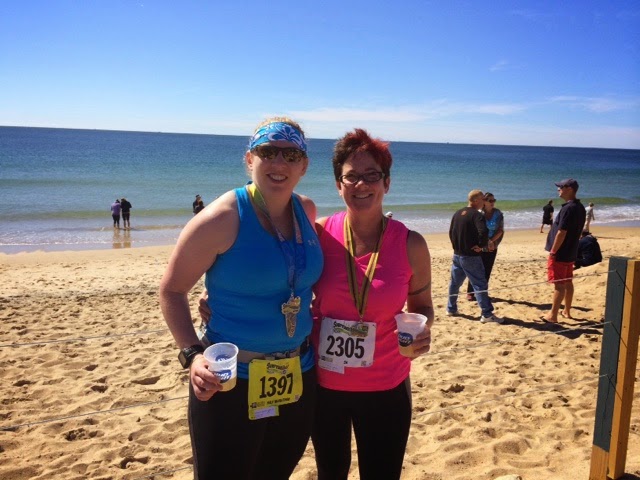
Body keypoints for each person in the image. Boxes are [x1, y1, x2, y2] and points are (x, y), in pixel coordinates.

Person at [159, 117, 324, 480]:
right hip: (229, 380)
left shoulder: (306, 211)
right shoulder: (221, 218)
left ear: (304, 166)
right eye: (268, 151)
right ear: (250, 159)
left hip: (296, 374)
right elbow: (171, 290)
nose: (279, 162)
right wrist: (192, 354)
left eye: (291, 154)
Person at [311, 128, 433, 480]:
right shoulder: (318, 234)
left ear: (386, 183)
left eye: (372, 175)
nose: (361, 184)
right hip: (324, 385)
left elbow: (422, 305)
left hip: (386, 385)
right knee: (330, 473)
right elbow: (279, 282)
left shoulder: (411, 244)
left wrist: (422, 329)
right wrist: (217, 295)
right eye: (351, 176)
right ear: (339, 185)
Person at [446, 190, 502, 324]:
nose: (484, 201)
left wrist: (456, 246)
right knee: (480, 284)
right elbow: (483, 232)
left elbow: (451, 232)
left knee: (455, 283)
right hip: (470, 256)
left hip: (458, 254)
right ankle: (487, 314)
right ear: (476, 200)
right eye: (483, 199)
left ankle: (451, 308)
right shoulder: (477, 215)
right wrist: (481, 246)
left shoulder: (458, 213)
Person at [543, 178, 586, 323]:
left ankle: (553, 315)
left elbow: (562, 232)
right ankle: (567, 310)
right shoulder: (580, 207)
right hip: (571, 251)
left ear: (569, 189)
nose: (558, 189)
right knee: (568, 282)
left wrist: (553, 251)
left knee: (559, 284)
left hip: (561, 253)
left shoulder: (569, 208)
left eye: (561, 187)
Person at [466, 192, 504, 301]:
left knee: (487, 270)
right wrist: (484, 242)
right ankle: (470, 292)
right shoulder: (478, 213)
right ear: (484, 202)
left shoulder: (498, 213)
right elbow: (474, 230)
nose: (492, 202)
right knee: (475, 269)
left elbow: (500, 230)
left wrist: (491, 241)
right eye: (490, 200)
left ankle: (482, 293)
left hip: (492, 246)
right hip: (479, 246)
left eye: (494, 200)